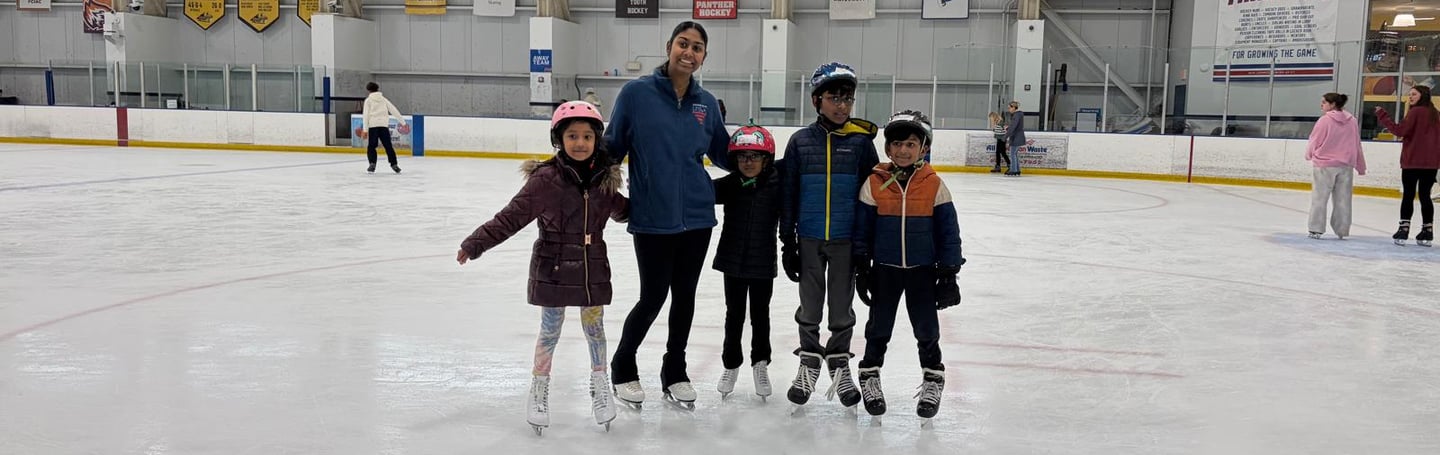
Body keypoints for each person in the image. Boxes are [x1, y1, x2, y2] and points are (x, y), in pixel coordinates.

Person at [455, 101, 629, 435]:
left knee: (595, 329)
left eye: (587, 136)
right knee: (550, 330)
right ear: (559, 139)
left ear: (597, 140)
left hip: (593, 267)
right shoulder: (545, 179)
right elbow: (511, 217)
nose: (580, 143)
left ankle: (600, 383)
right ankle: (539, 387)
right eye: (572, 136)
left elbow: (625, 211)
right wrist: (475, 243)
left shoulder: (605, 181)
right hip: (553, 267)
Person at [604, 21, 732, 410]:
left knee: (685, 297)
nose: (688, 53)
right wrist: (585, 176)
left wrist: (762, 158)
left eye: (697, 48)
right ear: (669, 46)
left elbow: (724, 153)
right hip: (652, 215)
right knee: (654, 295)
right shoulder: (636, 94)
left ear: (704, 57)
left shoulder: (705, 104)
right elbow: (613, 147)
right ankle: (623, 365)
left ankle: (675, 370)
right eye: (683, 44)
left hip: (697, 216)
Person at [778, 61, 879, 411]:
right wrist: (787, 242)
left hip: (845, 241)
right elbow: (789, 194)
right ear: (816, 101)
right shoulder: (800, 142)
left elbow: (870, 198)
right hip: (808, 237)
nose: (842, 105)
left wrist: (865, 247)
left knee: (840, 306)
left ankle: (838, 361)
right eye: (834, 98)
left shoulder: (861, 143)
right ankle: (809, 360)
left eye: (847, 99)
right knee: (809, 305)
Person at [852, 109, 963, 423]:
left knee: (926, 329)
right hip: (885, 269)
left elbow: (949, 232)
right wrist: (862, 266)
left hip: (922, 271)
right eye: (897, 144)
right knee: (878, 328)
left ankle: (933, 377)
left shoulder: (934, 185)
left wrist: (949, 273)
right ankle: (870, 374)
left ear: (923, 148)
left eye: (911, 144)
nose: (903, 150)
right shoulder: (874, 183)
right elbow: (862, 229)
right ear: (888, 148)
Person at [711, 124, 781, 401]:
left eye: (755, 156)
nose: (748, 162)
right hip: (732, 261)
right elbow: (698, 191)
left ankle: (760, 363)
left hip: (763, 262)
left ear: (766, 159)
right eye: (742, 157)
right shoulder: (729, 184)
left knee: (761, 315)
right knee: (734, 315)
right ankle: (731, 364)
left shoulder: (776, 185)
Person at [1375, 85, 1440, 247]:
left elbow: (1400, 131)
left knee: (1409, 195)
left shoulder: (1415, 112)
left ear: (1422, 95)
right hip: (1431, 164)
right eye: (1409, 94)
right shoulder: (1436, 114)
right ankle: (1428, 230)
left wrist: (1383, 116)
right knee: (1425, 196)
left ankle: (1403, 229)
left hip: (1412, 161)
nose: (1410, 97)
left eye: (1414, 94)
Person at [1305, 93, 1367, 240]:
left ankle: (1316, 228)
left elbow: (1315, 140)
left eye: (1324, 102)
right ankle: (1342, 229)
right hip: (1345, 165)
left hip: (1324, 165)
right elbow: (1356, 144)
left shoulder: (1324, 120)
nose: (1321, 105)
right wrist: (1360, 165)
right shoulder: (1352, 121)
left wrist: (1309, 154)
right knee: (1343, 200)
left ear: (1332, 104)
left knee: (1319, 198)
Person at [362, 82, 406, 174]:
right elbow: (393, 110)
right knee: (388, 146)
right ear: (377, 89)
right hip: (383, 126)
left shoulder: (368, 101)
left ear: (368, 90)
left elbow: (366, 115)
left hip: (373, 126)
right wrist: (403, 122)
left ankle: (372, 163)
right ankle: (394, 164)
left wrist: (365, 130)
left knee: (371, 146)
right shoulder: (383, 99)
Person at [1004, 101, 1026, 176]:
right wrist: (1008, 128)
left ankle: (1013, 170)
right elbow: (1015, 126)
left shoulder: (1016, 116)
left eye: (1009, 108)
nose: (1009, 110)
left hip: (1016, 137)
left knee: (1012, 154)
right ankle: (1017, 170)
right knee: (1014, 154)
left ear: (1013, 107)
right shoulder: (1018, 115)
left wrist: (1005, 136)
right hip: (1018, 136)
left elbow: (1013, 127)